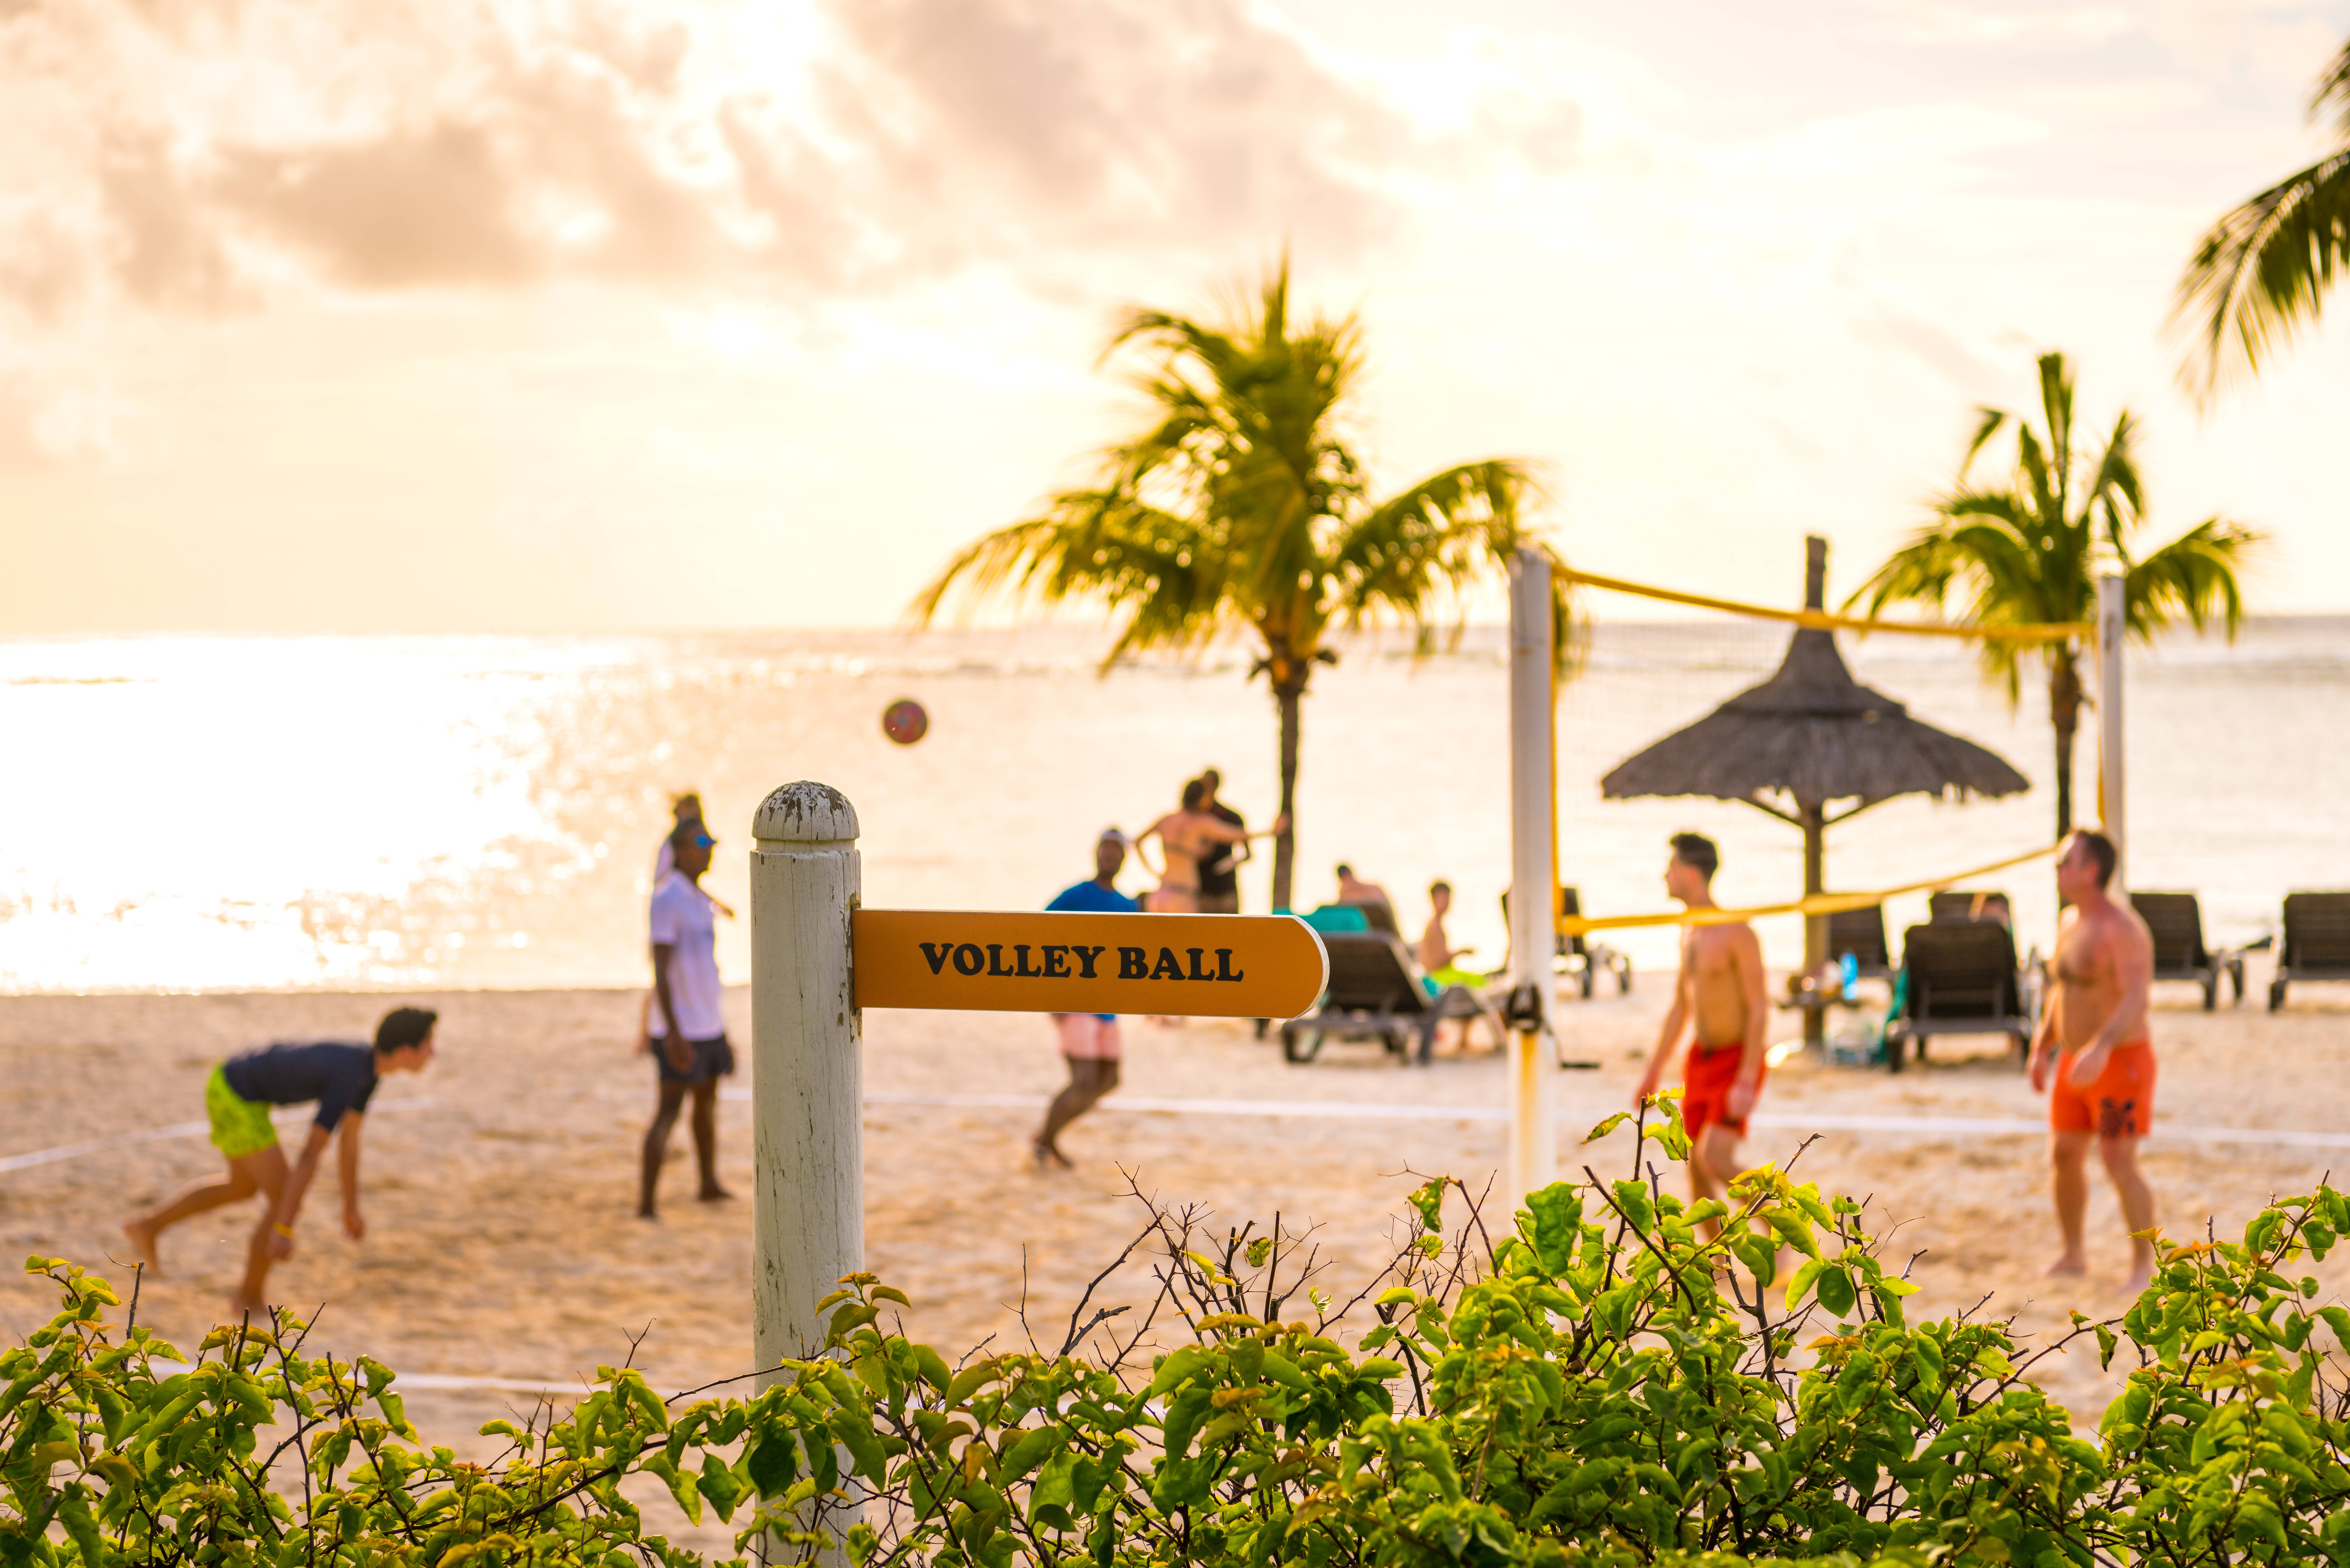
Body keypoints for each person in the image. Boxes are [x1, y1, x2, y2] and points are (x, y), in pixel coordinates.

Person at [122, 1006, 438, 1315]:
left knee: (242, 1187)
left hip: (233, 1086)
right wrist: (284, 1227)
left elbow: (349, 1142)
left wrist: (351, 1207)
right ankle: (248, 1296)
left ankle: (147, 1226)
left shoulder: (367, 1072)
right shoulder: (352, 1073)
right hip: (236, 1095)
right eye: (428, 1045)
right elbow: (311, 1153)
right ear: (405, 1051)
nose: (433, 1053)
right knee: (283, 1198)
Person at [2030, 829, 2158, 1291]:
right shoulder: (2069, 920)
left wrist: (2101, 1044)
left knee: (2117, 1160)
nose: (2057, 868)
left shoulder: (2121, 929)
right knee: (2063, 1154)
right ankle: (2073, 1252)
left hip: (2118, 1059)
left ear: (2090, 870)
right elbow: (2061, 990)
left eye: (2065, 860)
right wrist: (2041, 1046)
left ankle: (2143, 1262)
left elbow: (2135, 997)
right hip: (2072, 1060)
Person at [1633, 833, 1771, 1223]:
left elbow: (1759, 1006)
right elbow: (1681, 1007)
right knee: (1694, 1166)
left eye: (1671, 868)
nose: (1665, 876)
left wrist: (1746, 1077)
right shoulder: (1690, 931)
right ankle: (1712, 1268)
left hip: (1736, 1058)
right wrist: (1653, 1071)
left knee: (1716, 1159)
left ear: (1691, 875)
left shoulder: (1737, 933)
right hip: (1701, 1059)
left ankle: (1776, 1220)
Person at [641, 817, 734, 1218]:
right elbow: (660, 970)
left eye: (710, 842)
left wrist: (721, 1027)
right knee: (669, 1110)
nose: (708, 848)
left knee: (707, 1105)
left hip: (708, 1023)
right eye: (700, 842)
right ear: (678, 850)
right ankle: (646, 1204)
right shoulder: (666, 899)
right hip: (679, 1028)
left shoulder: (697, 897)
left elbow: (706, 968)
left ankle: (708, 1184)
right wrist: (674, 1035)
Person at [1034, 830, 1140, 1169]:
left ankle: (1047, 1137)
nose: (1109, 857)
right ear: (1096, 854)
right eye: (1105, 850)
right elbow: (1037, 930)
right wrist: (1052, 991)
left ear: (1124, 859)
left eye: (1116, 852)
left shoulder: (1127, 905)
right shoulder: (1076, 894)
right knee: (1082, 1079)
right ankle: (1046, 1142)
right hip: (1075, 1000)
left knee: (1109, 1079)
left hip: (1107, 1007)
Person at [1136, 781, 1284, 913]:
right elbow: (1236, 835)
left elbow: (1137, 842)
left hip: (1161, 892)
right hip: (1184, 894)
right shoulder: (1201, 823)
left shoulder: (1167, 820)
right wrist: (1272, 832)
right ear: (1202, 798)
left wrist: (1153, 871)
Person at [1194, 769, 1249, 914]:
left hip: (1226, 888)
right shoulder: (1193, 818)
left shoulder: (1232, 817)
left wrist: (1228, 864)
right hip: (1200, 890)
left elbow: (1247, 853)